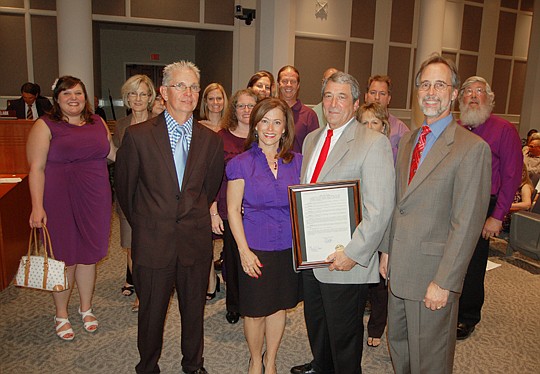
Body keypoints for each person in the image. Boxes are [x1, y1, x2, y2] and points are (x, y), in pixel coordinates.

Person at [380, 54, 492, 374]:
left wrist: (445, 281)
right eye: (425, 84)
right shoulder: (409, 141)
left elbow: (466, 224)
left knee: (430, 361)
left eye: (440, 84)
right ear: (417, 92)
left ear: (454, 93)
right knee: (400, 351)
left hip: (433, 275)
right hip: (400, 269)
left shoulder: (472, 149)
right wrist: (388, 250)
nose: (431, 91)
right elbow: (398, 200)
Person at [115, 61, 224, 374]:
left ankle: (194, 364)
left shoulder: (211, 140)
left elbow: (209, 187)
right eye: (180, 85)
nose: (188, 93)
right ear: (163, 92)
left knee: (193, 310)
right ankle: (147, 366)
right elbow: (125, 191)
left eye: (193, 87)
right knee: (151, 312)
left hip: (194, 240)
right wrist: (149, 224)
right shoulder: (137, 137)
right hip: (152, 241)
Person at [291, 71, 395, 374]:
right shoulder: (311, 140)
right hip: (312, 258)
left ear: (356, 103)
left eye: (341, 97)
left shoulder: (373, 143)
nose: (333, 104)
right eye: (328, 96)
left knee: (345, 340)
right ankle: (321, 365)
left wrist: (352, 253)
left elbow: (379, 209)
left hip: (345, 260)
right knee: (318, 323)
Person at [27, 75, 115, 341]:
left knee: (88, 256)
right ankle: (61, 313)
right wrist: (36, 207)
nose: (73, 98)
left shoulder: (98, 122)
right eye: (67, 94)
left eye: (78, 93)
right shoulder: (45, 125)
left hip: (95, 197)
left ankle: (85, 308)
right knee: (64, 257)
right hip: (59, 199)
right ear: (57, 99)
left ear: (85, 97)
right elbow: (36, 168)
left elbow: (113, 154)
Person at [227, 97, 302, 374]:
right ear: (255, 125)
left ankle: (271, 361)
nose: (270, 128)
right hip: (255, 247)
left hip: (286, 248)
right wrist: (244, 252)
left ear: (285, 128)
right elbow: (234, 210)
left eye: (277, 122)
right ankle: (255, 359)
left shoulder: (298, 162)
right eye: (265, 121)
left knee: (278, 307)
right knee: (255, 311)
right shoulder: (241, 163)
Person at [456, 75, 523, 341]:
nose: (473, 95)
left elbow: (512, 175)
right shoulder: (456, 128)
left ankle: (467, 316)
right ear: (461, 100)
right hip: (456, 202)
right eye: (468, 91)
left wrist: (497, 216)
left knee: (472, 264)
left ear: (490, 99)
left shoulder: (503, 129)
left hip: (486, 204)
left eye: (480, 91)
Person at [213, 89, 258, 323]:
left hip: (258, 210)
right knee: (232, 259)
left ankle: (254, 301)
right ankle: (234, 304)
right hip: (229, 208)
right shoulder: (221, 137)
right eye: (241, 106)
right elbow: (213, 177)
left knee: (256, 257)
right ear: (234, 109)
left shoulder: (264, 135)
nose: (246, 110)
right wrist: (213, 210)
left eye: (251, 106)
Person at [113, 74, 157, 312]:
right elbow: (117, 158)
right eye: (133, 93)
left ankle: (154, 288)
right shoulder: (120, 125)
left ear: (150, 97)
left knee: (151, 246)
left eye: (143, 94)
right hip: (128, 197)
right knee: (131, 247)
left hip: (153, 197)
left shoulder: (160, 122)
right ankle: (140, 291)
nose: (138, 98)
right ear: (126, 97)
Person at [358, 102, 391, 349]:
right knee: (358, 281)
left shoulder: (388, 153)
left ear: (384, 127)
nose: (369, 127)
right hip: (357, 227)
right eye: (364, 123)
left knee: (379, 285)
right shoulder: (352, 152)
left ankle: (377, 327)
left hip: (382, 228)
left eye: (375, 123)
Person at [198, 82, 228, 300]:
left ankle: (230, 279)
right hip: (205, 186)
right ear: (205, 102)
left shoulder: (232, 126)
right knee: (204, 240)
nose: (216, 103)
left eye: (219, 98)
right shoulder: (198, 126)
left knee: (231, 238)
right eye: (211, 99)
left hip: (228, 186)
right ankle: (210, 280)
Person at [364, 75, 410, 162]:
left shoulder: (401, 130)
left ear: (388, 99)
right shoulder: (355, 124)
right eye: (373, 92)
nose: (377, 97)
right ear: (366, 97)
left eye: (382, 94)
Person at [277, 65, 319, 153]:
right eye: (284, 81)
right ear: (278, 84)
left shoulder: (309, 115)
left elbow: (313, 149)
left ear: (298, 85)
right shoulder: (269, 112)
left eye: (293, 81)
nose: (289, 85)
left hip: (298, 166)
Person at [502, 163, 535, 232]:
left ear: (523, 173)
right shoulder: (510, 185)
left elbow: (527, 204)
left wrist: (507, 206)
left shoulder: (525, 186)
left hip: (512, 220)